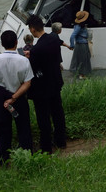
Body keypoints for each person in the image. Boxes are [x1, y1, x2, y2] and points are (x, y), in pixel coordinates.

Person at [0, 30, 33, 164]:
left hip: (0, 100)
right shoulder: (24, 61)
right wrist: (14, 97)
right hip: (19, 98)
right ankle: (26, 156)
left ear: (3, 44)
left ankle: (3, 158)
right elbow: (27, 83)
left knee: (3, 130)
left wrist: (4, 95)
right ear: (16, 43)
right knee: (23, 128)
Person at [27, 15, 66, 153]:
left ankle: (46, 147)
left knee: (43, 118)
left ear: (32, 29)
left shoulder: (36, 50)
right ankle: (61, 141)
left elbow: (33, 69)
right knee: (58, 113)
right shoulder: (54, 39)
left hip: (42, 88)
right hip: (56, 82)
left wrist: (29, 57)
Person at [69, 11, 92, 79]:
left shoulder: (80, 26)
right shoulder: (78, 26)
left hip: (82, 43)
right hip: (81, 44)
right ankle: (81, 75)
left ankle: (81, 74)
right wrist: (72, 45)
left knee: (82, 59)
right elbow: (72, 36)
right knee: (82, 59)